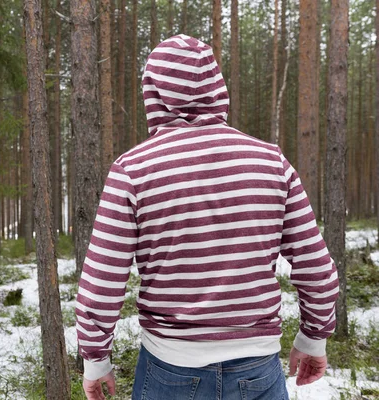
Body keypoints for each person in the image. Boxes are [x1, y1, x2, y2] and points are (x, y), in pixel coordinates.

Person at [76, 34, 339, 400]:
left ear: (153, 93)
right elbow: (316, 266)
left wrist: (95, 359)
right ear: (217, 87)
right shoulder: (270, 162)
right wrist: (314, 337)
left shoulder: (134, 170)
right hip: (257, 370)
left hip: (169, 370)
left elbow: (101, 281)